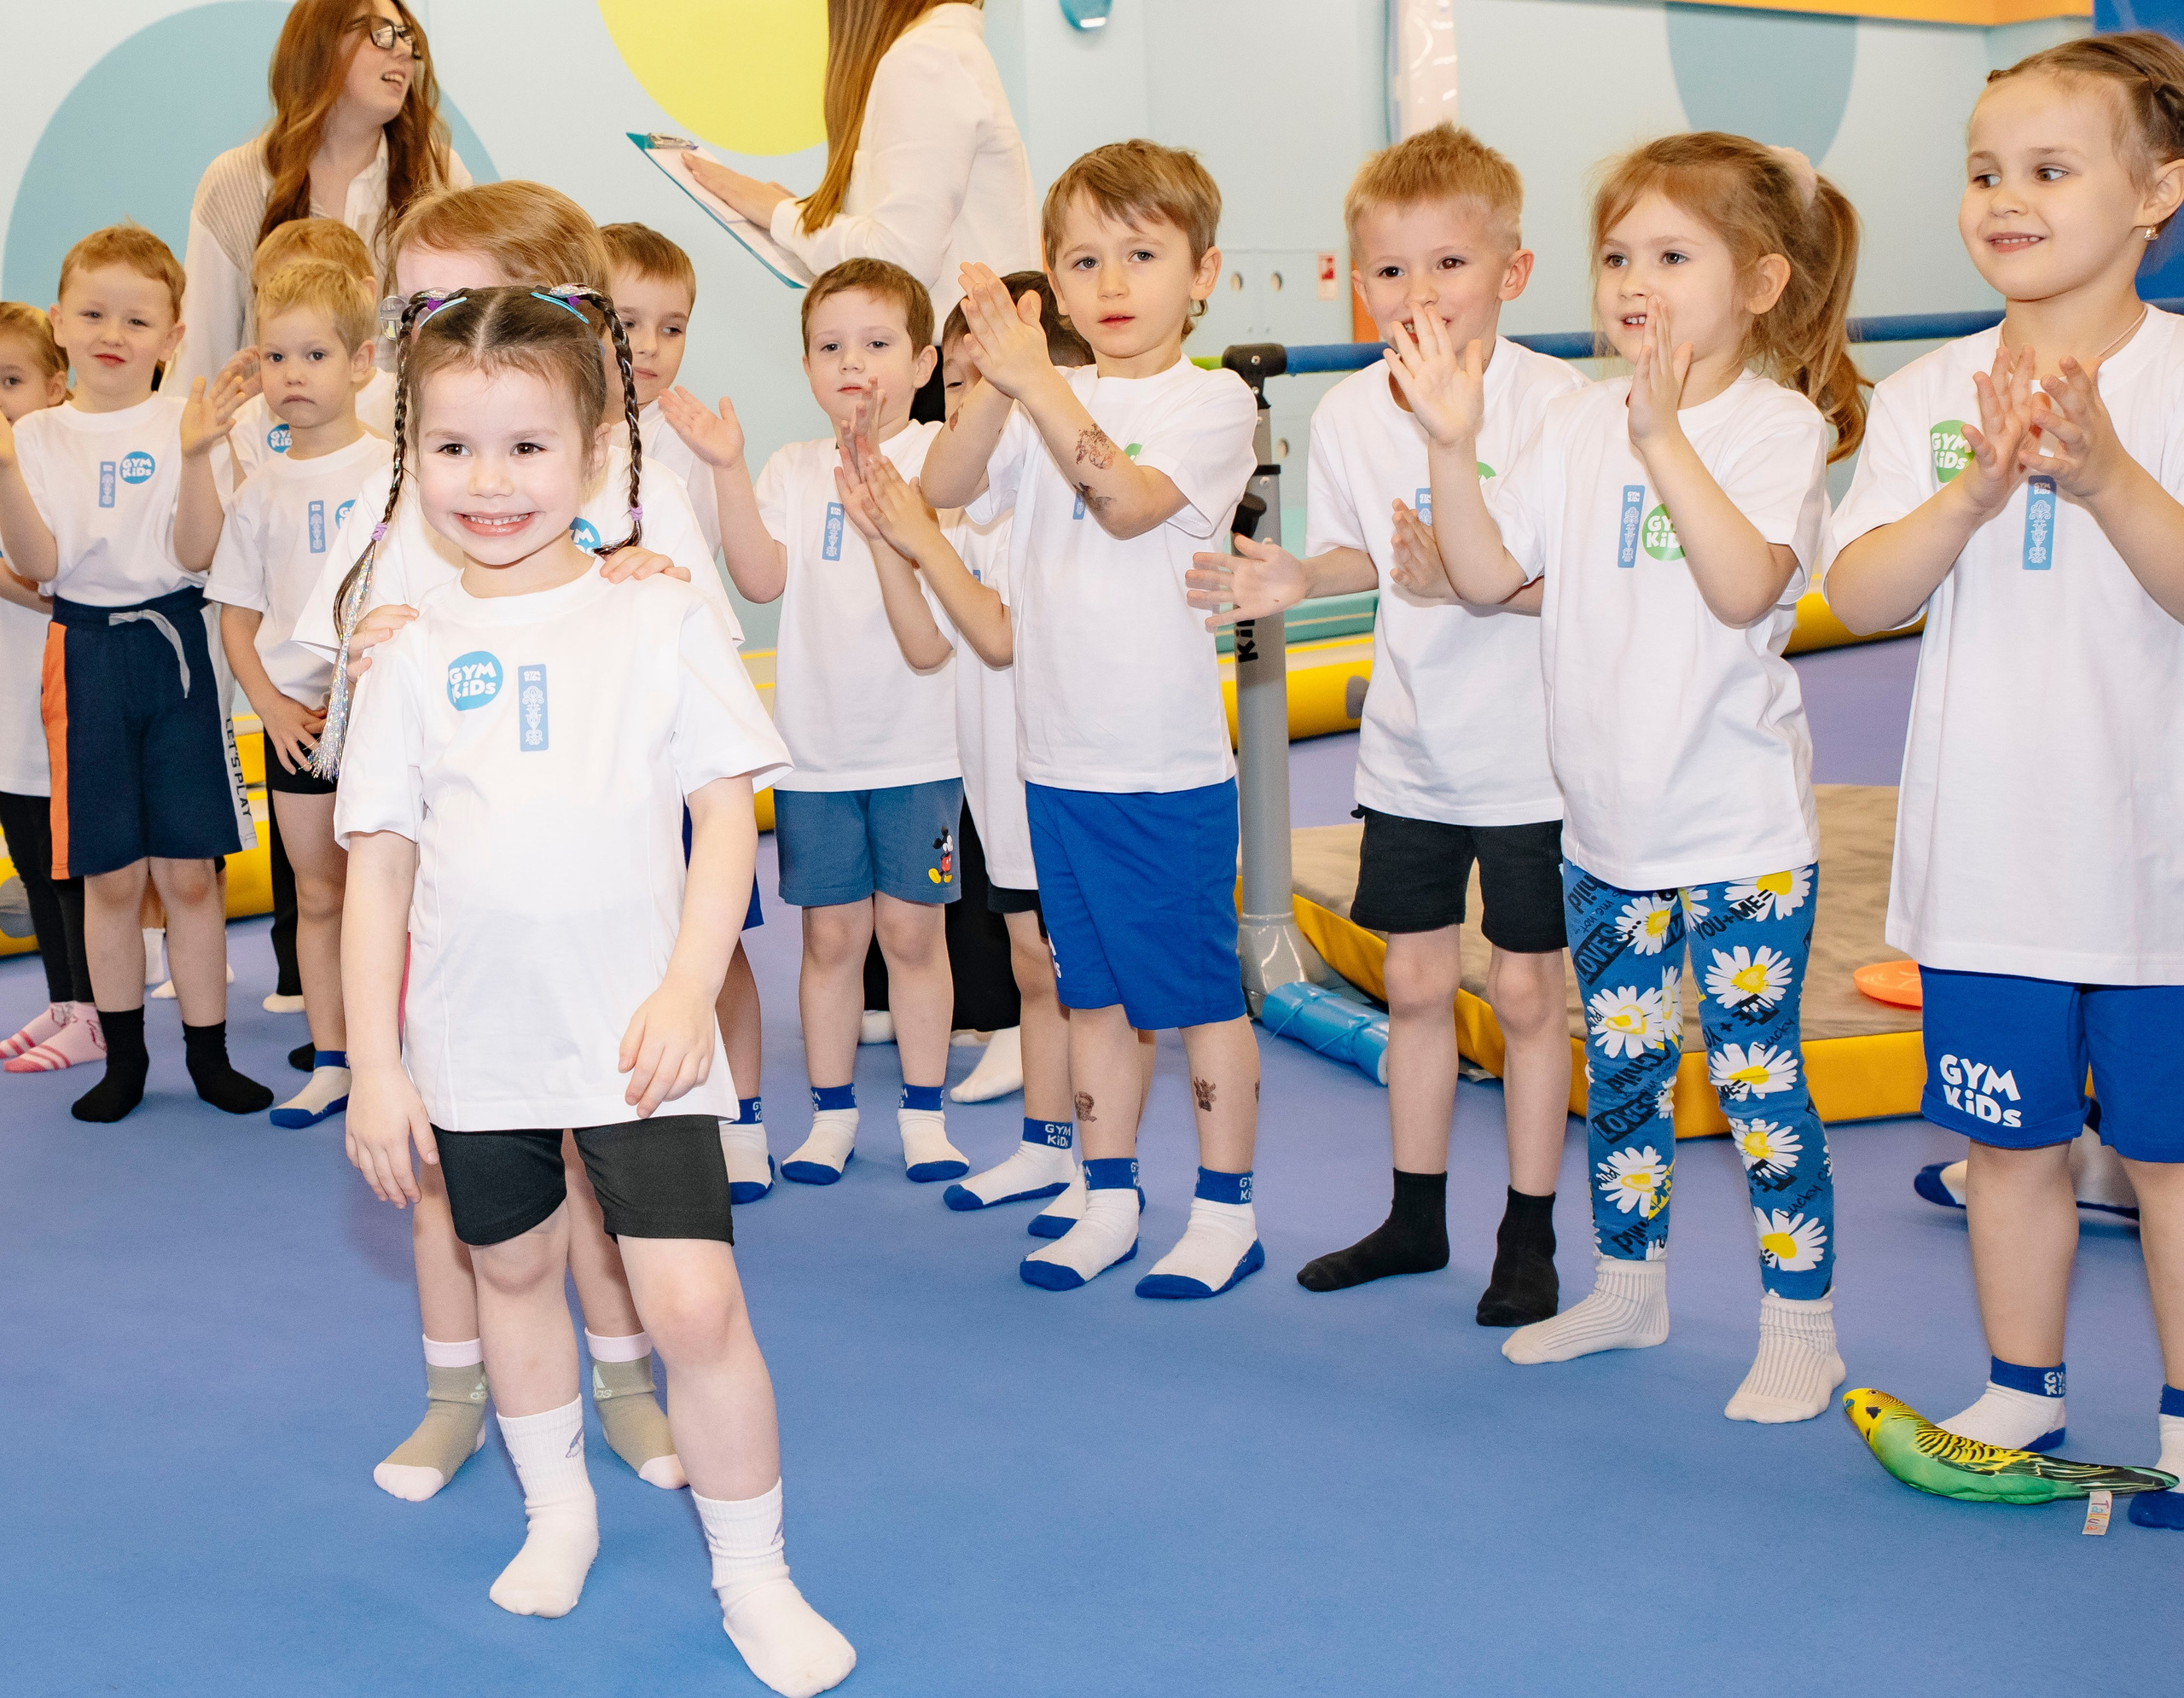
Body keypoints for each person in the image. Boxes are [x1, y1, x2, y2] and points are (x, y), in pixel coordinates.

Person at [336, 284, 854, 1695]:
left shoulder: (655, 611)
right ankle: (554, 1507)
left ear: (593, 449)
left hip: (641, 1037)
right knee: (512, 1269)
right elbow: (376, 868)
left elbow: (727, 816)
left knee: (692, 1309)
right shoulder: (407, 643)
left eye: (524, 448)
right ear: (413, 453)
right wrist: (378, 1067)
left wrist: (693, 989)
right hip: (472, 1041)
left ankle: (756, 1576)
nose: (490, 483)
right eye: (453, 450)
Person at [1414, 133, 1862, 1422]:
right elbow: (1495, 578)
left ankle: (1801, 1322)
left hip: (1736, 826)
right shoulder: (1568, 419)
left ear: (1762, 284)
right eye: (1618, 254)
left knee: (1757, 1080)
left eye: (1673, 254)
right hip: (1605, 827)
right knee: (1620, 1073)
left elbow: (1740, 587)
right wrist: (1452, 442)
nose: (1633, 281)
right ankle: (1629, 1282)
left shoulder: (1778, 426)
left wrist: (1664, 435)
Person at [296, 179, 723, 1503]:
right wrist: (367, 657)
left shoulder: (606, 477)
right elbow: (352, 707)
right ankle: (455, 1386)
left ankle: (625, 1377)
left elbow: (679, 673)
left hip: (595, 920)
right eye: (415, 302)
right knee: (450, 1181)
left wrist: (636, 571)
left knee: (605, 1188)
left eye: (455, 292)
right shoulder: (406, 491)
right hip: (451, 915)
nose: (437, 321)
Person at [1822, 32, 2184, 1524]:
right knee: (2008, 1144)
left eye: (2049, 168)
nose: (2005, 198)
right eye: (1984, 171)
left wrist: (2103, 476)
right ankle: (2021, 1389)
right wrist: (1971, 492)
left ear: (2159, 189)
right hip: (1986, 869)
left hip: (2156, 873)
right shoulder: (1926, 393)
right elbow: (1859, 593)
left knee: (2169, 1165)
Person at [1186, 124, 1580, 1324]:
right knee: (1414, 983)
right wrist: (1298, 577)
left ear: (1513, 271)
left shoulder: (1563, 407)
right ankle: (1416, 1215)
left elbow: (1584, 584)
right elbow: (1368, 550)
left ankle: (1530, 1231)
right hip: (1413, 750)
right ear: (1361, 287)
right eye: (1392, 271)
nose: (1421, 294)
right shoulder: (1355, 412)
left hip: (1537, 760)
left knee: (1524, 996)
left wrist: (1477, 577)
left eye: (1449, 264)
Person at [921, 141, 1266, 1299]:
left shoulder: (1210, 401)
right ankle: (1109, 1192)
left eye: (1142, 254)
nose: (1113, 284)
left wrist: (1040, 383)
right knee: (1092, 992)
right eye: (1084, 261)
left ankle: (1226, 1208)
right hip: (1055, 759)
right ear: (1054, 289)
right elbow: (947, 489)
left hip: (1161, 770)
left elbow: (1121, 500)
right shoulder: (1037, 395)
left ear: (1202, 272)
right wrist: (984, 374)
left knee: (1195, 994)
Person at [661, 259, 967, 1189]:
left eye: (877, 345)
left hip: (920, 750)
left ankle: (924, 1113)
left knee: (914, 938)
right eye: (831, 346)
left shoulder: (940, 464)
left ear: (921, 364)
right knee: (831, 942)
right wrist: (725, 472)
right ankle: (832, 1112)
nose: (854, 364)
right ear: (804, 366)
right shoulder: (794, 468)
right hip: (815, 761)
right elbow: (759, 578)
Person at [835, 270, 1095, 1216]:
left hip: (1069, 762)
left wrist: (918, 539)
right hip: (995, 765)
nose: (974, 420)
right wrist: (889, 538)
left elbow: (1000, 631)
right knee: (1031, 958)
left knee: (1076, 968)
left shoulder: (1051, 514)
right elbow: (932, 637)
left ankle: (1097, 1160)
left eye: (1000, 394)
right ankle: (1044, 1138)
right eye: (960, 395)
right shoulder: (963, 512)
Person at [0, 225, 267, 1126]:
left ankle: (209, 1055)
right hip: (84, 656)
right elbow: (38, 564)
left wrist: (196, 455)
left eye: (137, 317)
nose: (114, 331)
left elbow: (197, 550)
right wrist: (3, 465)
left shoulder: (187, 419)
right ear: (58, 322)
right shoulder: (35, 435)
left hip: (179, 654)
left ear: (173, 332)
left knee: (192, 876)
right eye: (94, 311)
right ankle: (124, 1061)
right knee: (110, 878)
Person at [601, 218, 772, 1202]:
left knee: (715, 946)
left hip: (678, 744)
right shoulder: (552, 443)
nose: (651, 350)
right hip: (592, 751)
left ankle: (742, 1118)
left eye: (673, 328)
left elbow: (737, 591)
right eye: (627, 324)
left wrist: (729, 469)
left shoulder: (695, 447)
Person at [207, 259, 390, 1129]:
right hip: (299, 730)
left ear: (361, 363)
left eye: (313, 355)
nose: (291, 376)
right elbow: (237, 619)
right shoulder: (258, 492)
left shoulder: (397, 476)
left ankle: (406, 1055)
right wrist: (273, 707)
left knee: (399, 893)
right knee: (318, 894)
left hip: (388, 720)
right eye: (275, 358)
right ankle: (333, 1058)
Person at [684, 0, 1036, 336]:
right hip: (969, 360)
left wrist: (781, 215)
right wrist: (802, 218)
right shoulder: (941, 48)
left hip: (958, 370)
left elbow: (901, 266)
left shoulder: (926, 56)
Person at [173, 0, 468, 388]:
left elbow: (471, 339)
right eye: (381, 33)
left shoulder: (440, 173)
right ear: (319, 45)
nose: (402, 52)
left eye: (408, 39)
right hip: (271, 443)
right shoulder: (236, 180)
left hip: (404, 441)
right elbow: (201, 362)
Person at [0, 302, 101, 1073]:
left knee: (69, 866)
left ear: (55, 387)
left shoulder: (52, 471)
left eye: (11, 380)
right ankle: (63, 1000)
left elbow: (53, 583)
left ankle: (96, 1011)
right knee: (32, 859)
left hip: (58, 701)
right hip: (9, 712)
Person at [220, 218, 397, 495]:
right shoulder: (248, 422)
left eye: (311, 286)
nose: (289, 306)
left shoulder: (401, 403)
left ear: (365, 294)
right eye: (272, 292)